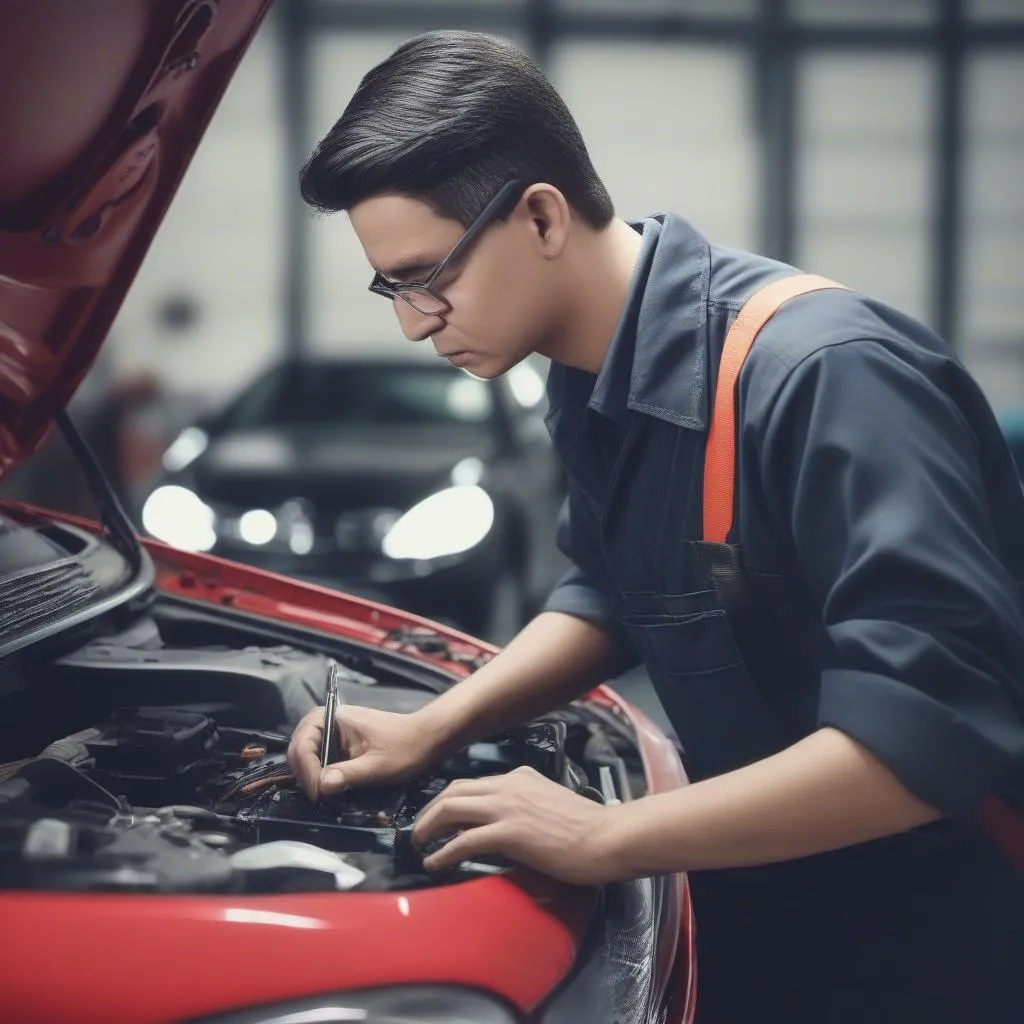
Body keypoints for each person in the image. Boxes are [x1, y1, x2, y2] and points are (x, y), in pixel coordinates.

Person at [287, 30, 1024, 1022]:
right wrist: (434, 726)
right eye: (394, 289)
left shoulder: (826, 376)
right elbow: (613, 587)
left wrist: (604, 836)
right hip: (761, 893)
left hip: (928, 940)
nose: (414, 323)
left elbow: (927, 738)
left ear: (539, 214)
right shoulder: (588, 377)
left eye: (426, 277)